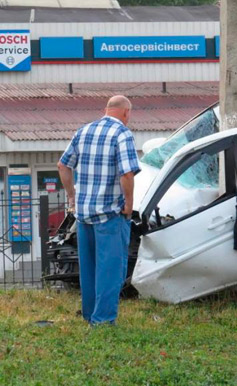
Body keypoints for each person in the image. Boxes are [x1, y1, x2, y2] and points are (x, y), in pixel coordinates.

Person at [58, 95, 141, 326]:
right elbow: (127, 174)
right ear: (126, 112)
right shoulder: (122, 134)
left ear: (106, 110)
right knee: (111, 270)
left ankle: (89, 314)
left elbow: (63, 165)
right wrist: (129, 203)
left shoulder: (83, 131)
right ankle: (103, 320)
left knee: (89, 269)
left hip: (84, 215)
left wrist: (72, 197)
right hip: (109, 214)